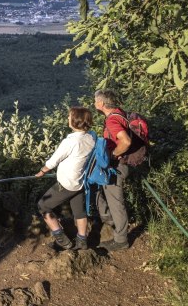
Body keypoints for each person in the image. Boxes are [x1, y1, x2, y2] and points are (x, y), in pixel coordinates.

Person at [35, 106, 95, 251]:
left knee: (43, 205)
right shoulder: (91, 137)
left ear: (75, 120)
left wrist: (42, 171)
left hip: (67, 183)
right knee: (79, 211)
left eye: (69, 116)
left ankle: (62, 239)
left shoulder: (71, 141)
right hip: (80, 181)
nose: (68, 118)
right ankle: (82, 241)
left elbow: (54, 161)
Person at [94, 89, 131, 251]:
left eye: (95, 100)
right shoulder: (119, 114)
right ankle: (108, 218)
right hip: (121, 164)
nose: (94, 103)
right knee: (103, 192)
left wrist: (114, 155)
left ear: (101, 103)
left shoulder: (112, 121)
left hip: (117, 165)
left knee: (116, 203)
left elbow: (126, 141)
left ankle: (121, 240)